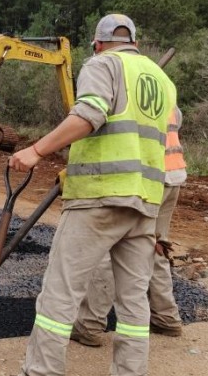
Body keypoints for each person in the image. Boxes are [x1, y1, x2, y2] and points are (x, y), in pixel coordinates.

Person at [0, 14, 176, 376]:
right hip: (145, 201)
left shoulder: (103, 65)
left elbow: (89, 115)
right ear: (135, 42)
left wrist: (36, 151)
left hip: (99, 197)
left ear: (97, 44)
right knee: (132, 304)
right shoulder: (163, 82)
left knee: (60, 293)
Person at [70, 105, 188, 348]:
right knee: (155, 247)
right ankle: (166, 317)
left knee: (110, 247)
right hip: (171, 176)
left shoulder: (125, 93)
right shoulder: (164, 93)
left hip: (142, 179)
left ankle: (89, 325)